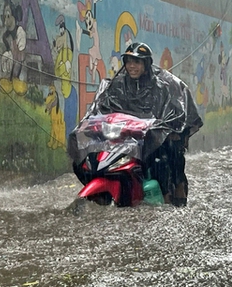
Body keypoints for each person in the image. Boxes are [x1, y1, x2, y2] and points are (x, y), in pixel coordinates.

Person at [77, 42, 203, 207]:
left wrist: (167, 127)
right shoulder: (117, 85)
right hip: (123, 137)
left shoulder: (161, 87)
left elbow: (174, 111)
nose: (131, 66)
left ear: (146, 64)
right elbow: (102, 109)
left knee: (163, 158)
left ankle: (169, 201)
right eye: (128, 61)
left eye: (136, 62)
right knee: (82, 160)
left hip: (150, 139)